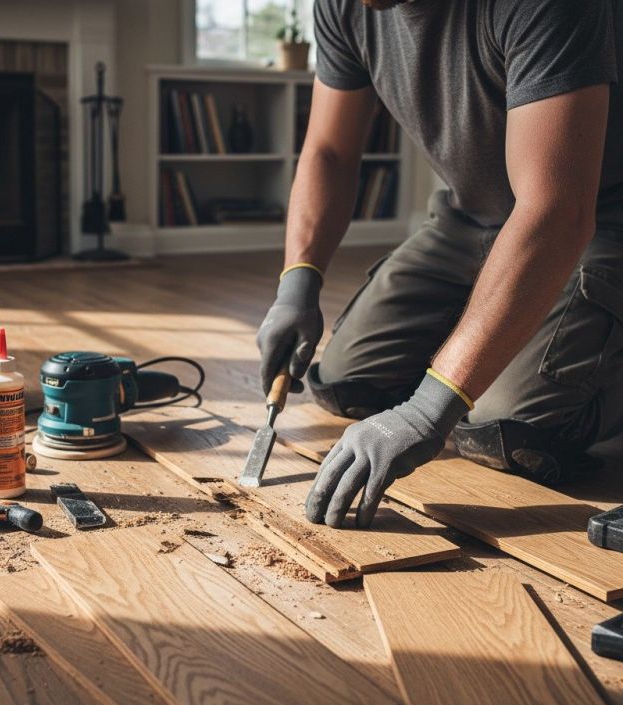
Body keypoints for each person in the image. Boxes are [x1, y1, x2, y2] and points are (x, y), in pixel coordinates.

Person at [256, 0, 623, 528]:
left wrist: (430, 408)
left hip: (594, 223)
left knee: (509, 431)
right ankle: (497, 344)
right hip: (467, 222)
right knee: (348, 385)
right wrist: (297, 284)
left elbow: (556, 210)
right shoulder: (344, 6)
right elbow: (329, 153)